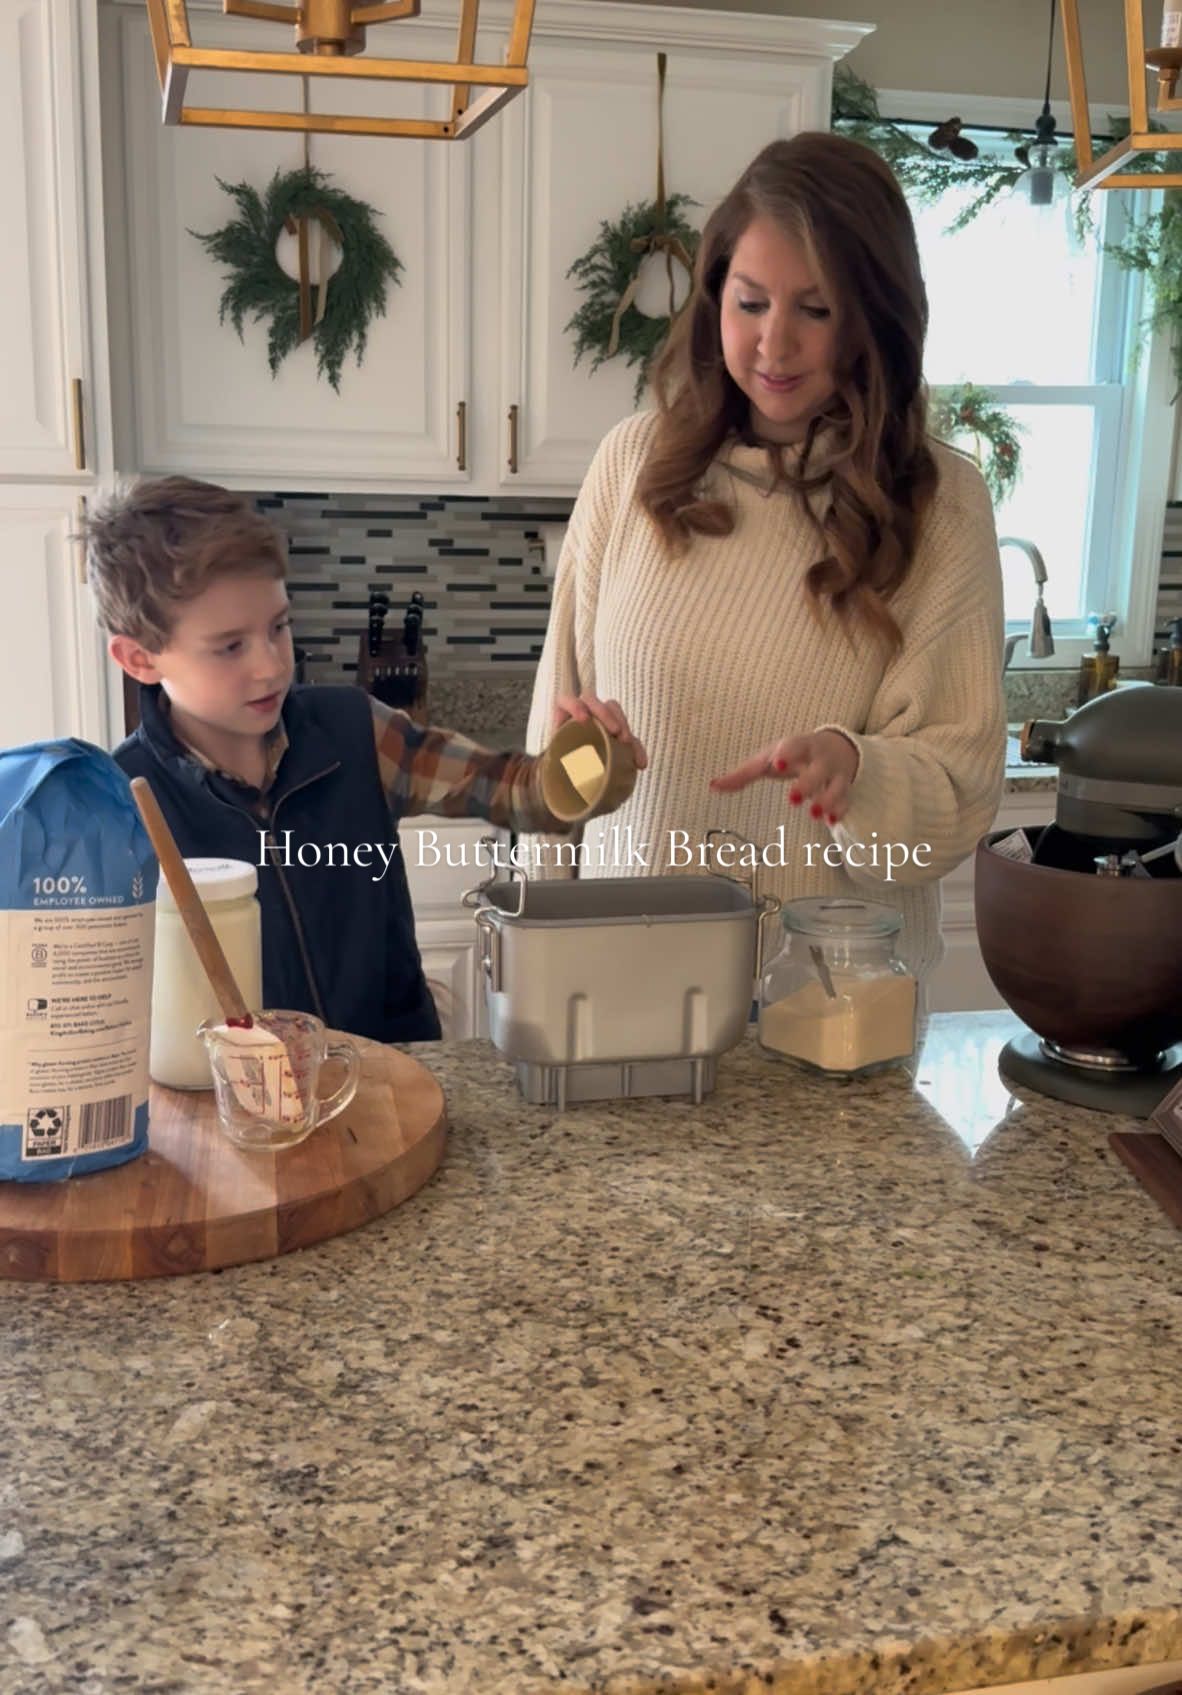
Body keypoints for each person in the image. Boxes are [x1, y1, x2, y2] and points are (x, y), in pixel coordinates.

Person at [525, 131, 1006, 978]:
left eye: (814, 312)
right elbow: (551, 756)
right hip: (622, 984)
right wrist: (580, 773)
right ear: (715, 297)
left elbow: (955, 802)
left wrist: (859, 775)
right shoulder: (632, 464)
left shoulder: (941, 510)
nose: (773, 347)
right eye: (750, 303)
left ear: (873, 319)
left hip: (830, 1009)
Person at [85, 477, 645, 1043]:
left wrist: (594, 759)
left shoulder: (355, 731)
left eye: (278, 626)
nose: (272, 666)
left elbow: (520, 793)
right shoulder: (120, 809)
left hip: (396, 1078)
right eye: (230, 646)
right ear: (138, 657)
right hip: (239, 1112)